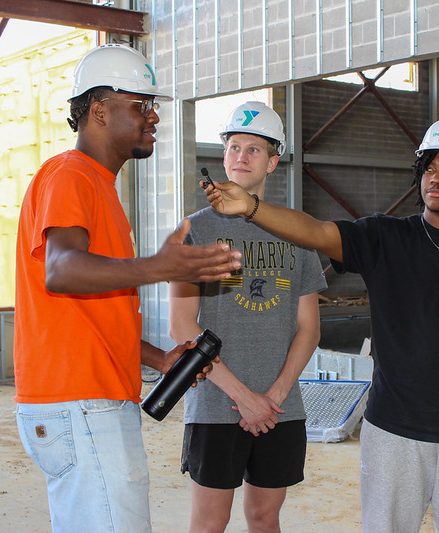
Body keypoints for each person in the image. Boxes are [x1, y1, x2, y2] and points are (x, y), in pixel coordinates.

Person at [203, 115, 439, 533]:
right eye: (429, 167)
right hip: (393, 431)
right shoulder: (386, 238)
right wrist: (251, 208)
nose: (436, 177)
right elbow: (316, 232)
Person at [13, 44, 242, 533]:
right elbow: (62, 270)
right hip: (81, 402)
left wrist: (161, 360)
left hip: (88, 400)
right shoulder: (71, 175)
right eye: (141, 105)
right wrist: (158, 266)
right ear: (99, 110)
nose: (153, 116)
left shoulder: (97, 186)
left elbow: (91, 314)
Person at [169, 101, 327, 533]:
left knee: (264, 517)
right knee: (209, 522)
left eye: (254, 149)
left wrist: (274, 396)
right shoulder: (193, 232)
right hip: (215, 405)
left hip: (280, 409)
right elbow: (182, 326)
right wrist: (245, 398)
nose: (241, 156)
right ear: (223, 155)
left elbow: (309, 328)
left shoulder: (296, 232)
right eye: (234, 146)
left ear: (273, 162)